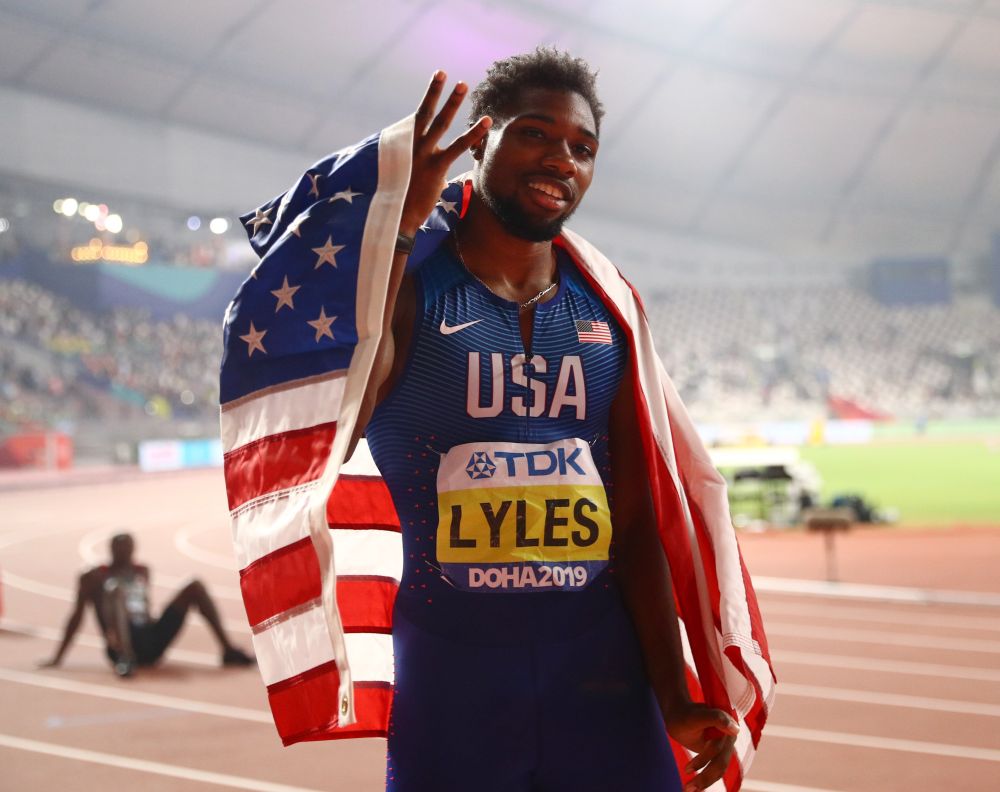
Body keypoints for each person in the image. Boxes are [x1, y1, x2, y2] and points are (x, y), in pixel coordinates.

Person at [354, 49, 738, 792]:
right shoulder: (409, 289)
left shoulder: (607, 309)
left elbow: (634, 524)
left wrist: (674, 694)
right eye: (536, 133)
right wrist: (395, 233)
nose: (561, 158)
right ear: (481, 140)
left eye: (582, 148)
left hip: (602, 672)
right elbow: (339, 419)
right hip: (452, 673)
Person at [40, 532, 254, 677]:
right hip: (120, 646)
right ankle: (126, 658)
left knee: (194, 585)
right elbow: (77, 615)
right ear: (111, 550)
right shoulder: (94, 577)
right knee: (116, 589)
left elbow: (144, 608)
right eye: (119, 548)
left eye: (128, 548)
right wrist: (57, 657)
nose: (124, 553)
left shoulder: (142, 571)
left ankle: (228, 650)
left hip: (150, 638)